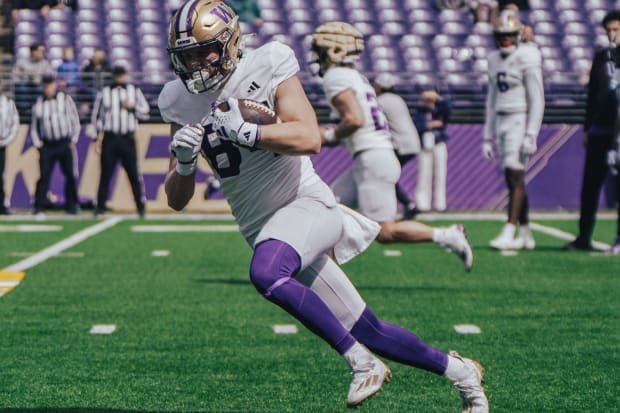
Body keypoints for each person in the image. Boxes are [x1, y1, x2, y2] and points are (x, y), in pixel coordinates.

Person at [159, 1, 488, 411]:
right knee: (371, 328)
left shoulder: (268, 62)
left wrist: (248, 132)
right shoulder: (176, 99)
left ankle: (361, 362)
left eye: (203, 51)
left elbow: (309, 137)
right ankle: (462, 373)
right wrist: (186, 164)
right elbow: (175, 199)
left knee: (266, 274)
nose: (195, 63)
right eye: (185, 55)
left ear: (230, 42)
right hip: (264, 229)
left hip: (308, 204)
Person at [313, 22, 473, 271]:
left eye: (321, 50)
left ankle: (447, 235)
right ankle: (322, 273)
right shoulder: (356, 76)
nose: (318, 55)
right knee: (328, 207)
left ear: (334, 51)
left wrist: (331, 136)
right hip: (374, 156)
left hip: (372, 158)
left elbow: (355, 119)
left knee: (384, 232)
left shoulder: (337, 76)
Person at [482, 10, 544, 250]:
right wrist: (486, 136)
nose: (504, 40)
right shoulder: (493, 59)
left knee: (514, 174)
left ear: (518, 35)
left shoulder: (528, 56)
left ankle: (509, 229)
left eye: (509, 35)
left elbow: (536, 98)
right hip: (501, 119)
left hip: (520, 117)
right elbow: (491, 98)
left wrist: (531, 132)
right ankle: (526, 234)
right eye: (501, 35)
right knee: (513, 177)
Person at [564, 10, 620, 253]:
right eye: (609, 29)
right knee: (590, 186)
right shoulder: (601, 56)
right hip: (599, 129)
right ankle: (583, 236)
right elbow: (593, 93)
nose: (612, 33)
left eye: (617, 28)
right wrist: (587, 126)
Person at [91, 66, 149, 217]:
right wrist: (97, 137)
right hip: (110, 138)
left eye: (121, 75)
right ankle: (100, 207)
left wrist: (133, 107)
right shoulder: (104, 93)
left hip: (127, 138)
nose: (119, 78)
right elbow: (97, 117)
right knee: (105, 174)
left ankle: (140, 208)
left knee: (134, 175)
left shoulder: (134, 91)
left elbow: (146, 112)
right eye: (117, 75)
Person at [372, 73, 421, 219]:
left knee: (386, 176)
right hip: (411, 142)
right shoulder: (397, 99)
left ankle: (407, 204)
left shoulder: (381, 100)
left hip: (400, 143)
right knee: (388, 176)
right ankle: (407, 204)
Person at [30, 75, 81, 214]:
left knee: (70, 174)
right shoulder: (39, 103)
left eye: (50, 85)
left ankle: (72, 205)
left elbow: (75, 121)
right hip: (48, 144)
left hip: (64, 142)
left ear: (55, 85)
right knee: (44, 175)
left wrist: (73, 140)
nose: (48, 89)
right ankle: (38, 205)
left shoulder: (65, 100)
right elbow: (34, 127)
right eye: (45, 86)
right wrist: (38, 144)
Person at [414, 88, 452, 212]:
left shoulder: (441, 107)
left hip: (438, 143)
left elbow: (447, 112)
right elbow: (418, 125)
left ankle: (440, 205)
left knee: (441, 174)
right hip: (425, 145)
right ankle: (423, 204)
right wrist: (429, 124)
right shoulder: (420, 110)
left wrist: (437, 99)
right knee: (424, 174)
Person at [13, 42, 54, 113]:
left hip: (39, 86)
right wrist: (27, 78)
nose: (42, 53)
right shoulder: (21, 62)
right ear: (33, 52)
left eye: (43, 51)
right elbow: (15, 77)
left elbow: (49, 78)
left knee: (39, 88)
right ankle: (23, 110)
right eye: (40, 51)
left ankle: (36, 108)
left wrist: (37, 80)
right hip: (25, 86)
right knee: (21, 87)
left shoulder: (45, 64)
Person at [0, 92, 20, 215]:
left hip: (1, 146)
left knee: (0, 177)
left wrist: (4, 140)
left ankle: (1, 205)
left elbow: (14, 124)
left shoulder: (7, 102)